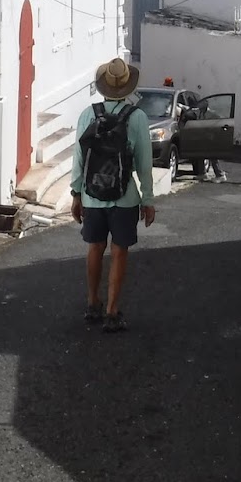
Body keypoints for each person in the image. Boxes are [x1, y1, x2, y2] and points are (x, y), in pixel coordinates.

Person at [71, 58, 156, 333]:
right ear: (127, 87)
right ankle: (112, 311)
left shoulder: (87, 114)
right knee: (119, 252)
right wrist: (148, 199)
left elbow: (79, 158)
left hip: (92, 195)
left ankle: (92, 302)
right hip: (125, 197)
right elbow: (144, 162)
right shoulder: (137, 117)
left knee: (95, 247)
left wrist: (76, 194)